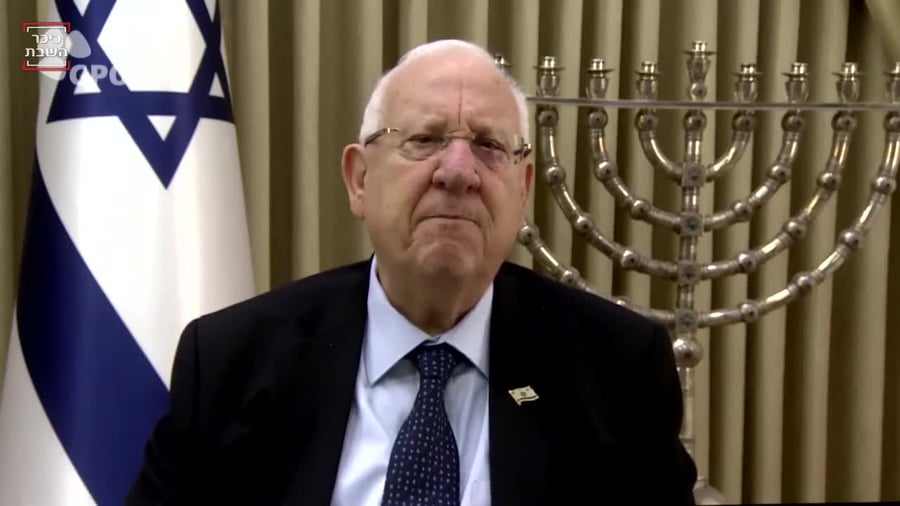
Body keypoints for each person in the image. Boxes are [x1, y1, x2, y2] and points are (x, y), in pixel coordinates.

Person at [127, 39, 697, 505]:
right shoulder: (230, 362)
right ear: (359, 179)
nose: (458, 171)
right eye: (424, 140)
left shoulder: (617, 371)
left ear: (523, 190)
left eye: (489, 146)